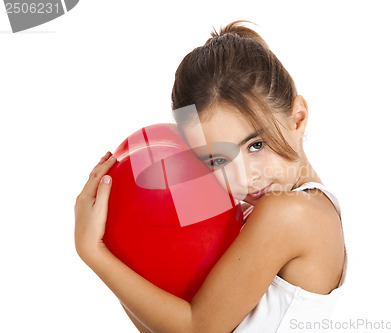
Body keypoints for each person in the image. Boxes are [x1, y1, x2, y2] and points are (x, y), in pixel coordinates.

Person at [74, 20, 347, 333]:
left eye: (256, 144)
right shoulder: (269, 211)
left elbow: (195, 329)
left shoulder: (290, 213)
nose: (243, 179)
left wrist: (94, 251)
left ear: (297, 118)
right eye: (218, 159)